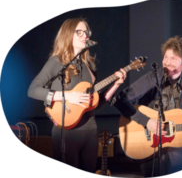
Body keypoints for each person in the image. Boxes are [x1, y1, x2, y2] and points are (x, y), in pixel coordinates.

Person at [27, 18, 127, 173]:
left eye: (86, 32)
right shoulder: (57, 62)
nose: (84, 35)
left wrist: (116, 84)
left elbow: (95, 102)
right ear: (67, 35)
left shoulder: (90, 65)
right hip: (65, 133)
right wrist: (66, 96)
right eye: (78, 32)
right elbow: (33, 89)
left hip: (91, 132)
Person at [111, 36, 182, 176]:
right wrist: (147, 121)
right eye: (166, 57)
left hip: (179, 154)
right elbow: (120, 100)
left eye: (173, 58)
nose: (167, 62)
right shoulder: (152, 78)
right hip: (151, 150)